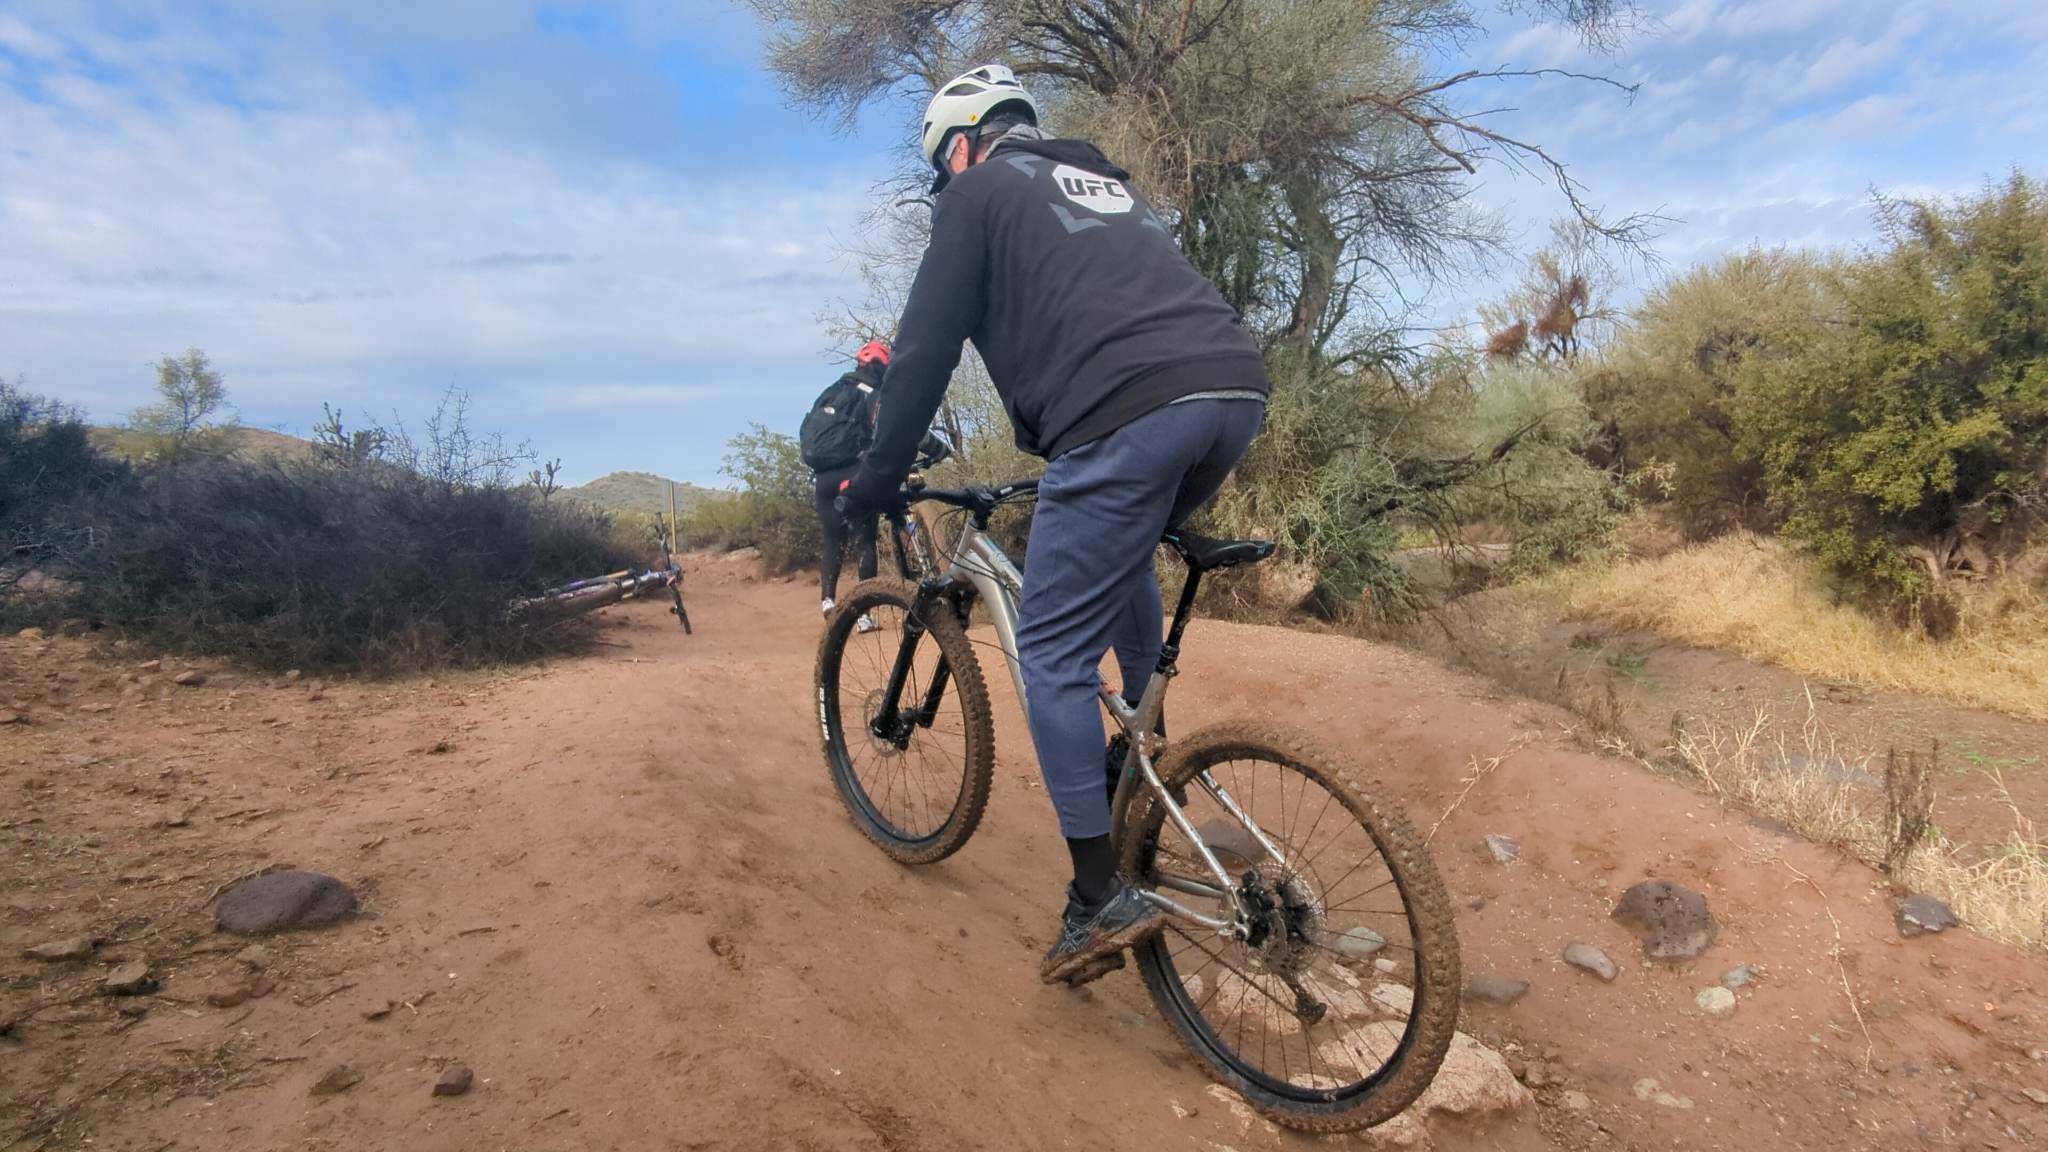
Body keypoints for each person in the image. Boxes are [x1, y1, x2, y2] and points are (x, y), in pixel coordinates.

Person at [837, 64, 1269, 985]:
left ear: (960, 146)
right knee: (1118, 566)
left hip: (1128, 414)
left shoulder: (977, 192)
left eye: (938, 169)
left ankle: (1095, 897)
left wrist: (877, 478)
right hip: (1232, 393)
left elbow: (921, 356)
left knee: (1052, 656)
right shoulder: (1105, 187)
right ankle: (1140, 747)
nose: (941, 185)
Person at [803, 340, 891, 629]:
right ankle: (865, 615)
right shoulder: (873, 395)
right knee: (864, 540)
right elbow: (880, 435)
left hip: (823, 477)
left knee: (833, 540)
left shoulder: (834, 391)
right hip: (852, 474)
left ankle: (828, 601)